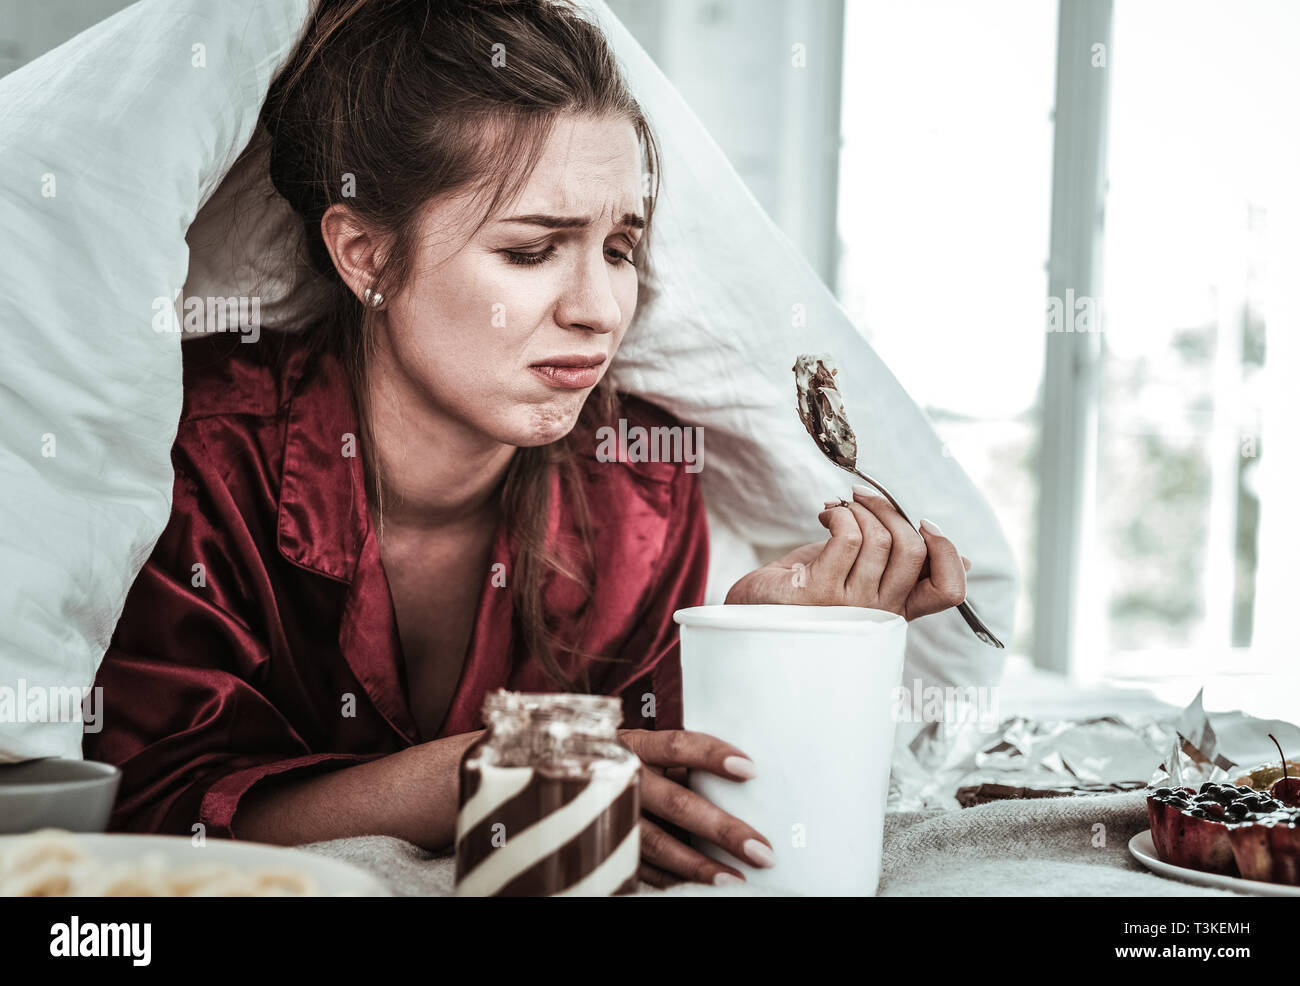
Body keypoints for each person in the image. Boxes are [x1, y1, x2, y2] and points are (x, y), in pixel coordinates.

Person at [84, 0, 968, 889]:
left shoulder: (644, 487)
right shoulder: (194, 455)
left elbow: (659, 787)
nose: (597, 310)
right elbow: (141, 810)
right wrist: (468, 773)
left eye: (620, 247)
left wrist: (758, 654)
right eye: (533, 250)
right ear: (365, 255)